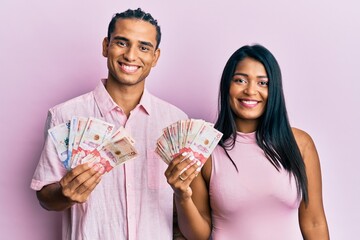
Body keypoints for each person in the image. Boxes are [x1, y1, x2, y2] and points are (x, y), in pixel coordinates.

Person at [31, 8, 187, 240]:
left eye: (143, 47)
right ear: (106, 46)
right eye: (122, 43)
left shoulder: (176, 122)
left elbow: (180, 209)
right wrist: (65, 193)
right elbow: (45, 197)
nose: (131, 56)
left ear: (155, 57)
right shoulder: (65, 116)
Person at [165, 44, 330, 239]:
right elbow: (198, 235)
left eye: (263, 83)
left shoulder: (301, 144)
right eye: (240, 80)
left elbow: (314, 222)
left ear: (274, 90)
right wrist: (181, 196)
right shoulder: (205, 149)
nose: (251, 91)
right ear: (227, 86)